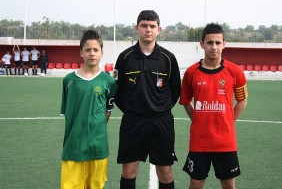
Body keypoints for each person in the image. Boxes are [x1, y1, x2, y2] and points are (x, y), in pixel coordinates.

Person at [114, 10, 181, 189]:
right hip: (133, 121)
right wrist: (131, 109)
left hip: (162, 121)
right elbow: (117, 91)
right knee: (129, 171)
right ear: (137, 28)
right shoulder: (125, 57)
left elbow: (175, 90)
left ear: (159, 29)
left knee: (165, 172)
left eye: (152, 26)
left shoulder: (168, 58)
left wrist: (161, 107)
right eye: (144, 26)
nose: (148, 30)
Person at [179, 23, 248, 189]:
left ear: (224, 44)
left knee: (228, 183)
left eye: (218, 43)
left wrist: (229, 120)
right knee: (196, 183)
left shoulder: (234, 71)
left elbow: (242, 101)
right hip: (199, 141)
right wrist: (197, 119)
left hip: (226, 141)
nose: (214, 47)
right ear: (202, 44)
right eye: (209, 43)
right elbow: (186, 101)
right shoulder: (191, 72)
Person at [60, 30, 117, 189]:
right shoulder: (69, 80)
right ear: (81, 53)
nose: (92, 53)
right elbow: (68, 114)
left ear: (102, 52)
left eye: (96, 50)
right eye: (87, 50)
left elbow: (107, 111)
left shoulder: (109, 82)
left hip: (98, 147)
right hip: (73, 146)